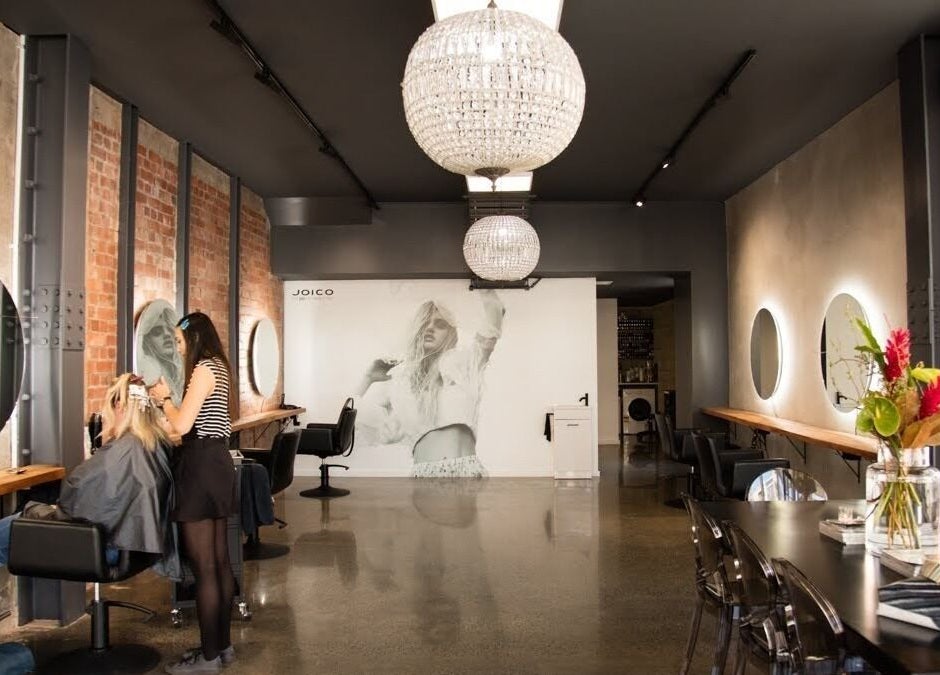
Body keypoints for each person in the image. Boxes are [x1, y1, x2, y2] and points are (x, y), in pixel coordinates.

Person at [0, 373, 174, 569]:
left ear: (119, 406)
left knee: (10, 530)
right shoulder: (154, 443)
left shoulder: (122, 450)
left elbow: (77, 493)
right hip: (132, 547)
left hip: (104, 546)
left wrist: (53, 510)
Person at [150, 312, 237, 674]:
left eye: (180, 341)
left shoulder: (203, 368)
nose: (179, 348)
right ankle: (222, 647)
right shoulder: (220, 367)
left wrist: (164, 399)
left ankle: (209, 658)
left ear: (194, 338)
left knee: (204, 569)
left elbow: (184, 424)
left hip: (200, 467)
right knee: (219, 563)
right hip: (217, 463)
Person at [358, 290, 505, 477]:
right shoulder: (400, 382)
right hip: (424, 474)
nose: (429, 328)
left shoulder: (463, 365)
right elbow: (357, 427)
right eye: (424, 323)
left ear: (451, 334)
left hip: (467, 472)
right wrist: (368, 378)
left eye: (440, 324)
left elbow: (494, 314)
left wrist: (483, 285)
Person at [138, 303, 185, 404]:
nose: (167, 334)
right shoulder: (151, 372)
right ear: (147, 340)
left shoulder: (182, 370)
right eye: (157, 332)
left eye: (170, 330)